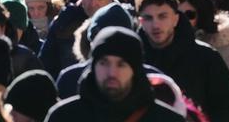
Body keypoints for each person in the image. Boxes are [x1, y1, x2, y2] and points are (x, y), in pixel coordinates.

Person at [136, 0, 229, 121]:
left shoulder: (206, 57)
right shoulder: (132, 60)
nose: (156, 25)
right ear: (140, 21)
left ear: (175, 19)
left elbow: (228, 107)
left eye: (162, 16)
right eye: (148, 18)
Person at [46, 27, 182, 121]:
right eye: (104, 63)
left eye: (121, 64)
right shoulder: (64, 117)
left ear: (134, 69)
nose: (112, 72)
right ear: (93, 66)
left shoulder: (166, 119)